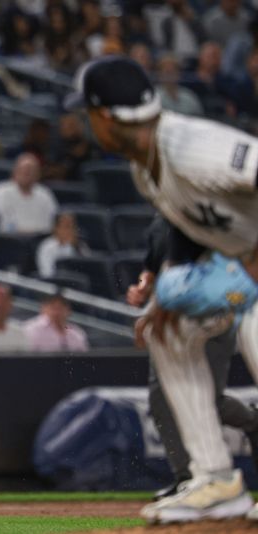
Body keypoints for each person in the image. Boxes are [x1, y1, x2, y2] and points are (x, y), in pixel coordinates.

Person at [65, 55, 258, 523]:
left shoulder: (190, 146)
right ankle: (214, 479)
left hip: (249, 271)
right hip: (239, 271)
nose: (86, 123)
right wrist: (165, 296)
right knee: (167, 330)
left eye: (88, 114)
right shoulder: (145, 166)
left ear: (106, 116)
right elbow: (192, 225)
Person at [127, 215, 258, 501]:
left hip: (214, 305)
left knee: (208, 400)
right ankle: (187, 477)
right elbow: (152, 267)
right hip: (170, 315)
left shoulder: (201, 213)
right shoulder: (161, 224)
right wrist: (141, 286)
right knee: (162, 399)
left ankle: (250, 422)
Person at [0, 152, 58, 234]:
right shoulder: (0, 191)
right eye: (23, 170)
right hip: (8, 240)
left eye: (31, 171)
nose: (26, 173)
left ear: (38, 175)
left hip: (38, 240)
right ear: (15, 172)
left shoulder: (45, 194)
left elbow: (52, 223)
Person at [22, 292, 89, 353]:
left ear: (69, 311)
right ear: (43, 308)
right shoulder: (31, 328)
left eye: (60, 308)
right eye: (53, 308)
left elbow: (85, 359)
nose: (56, 312)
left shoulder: (76, 333)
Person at [35, 212, 90, 279]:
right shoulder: (47, 247)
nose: (70, 230)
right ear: (56, 229)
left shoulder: (79, 245)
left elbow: (88, 269)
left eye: (73, 226)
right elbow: (46, 273)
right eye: (66, 226)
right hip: (55, 282)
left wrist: (76, 247)